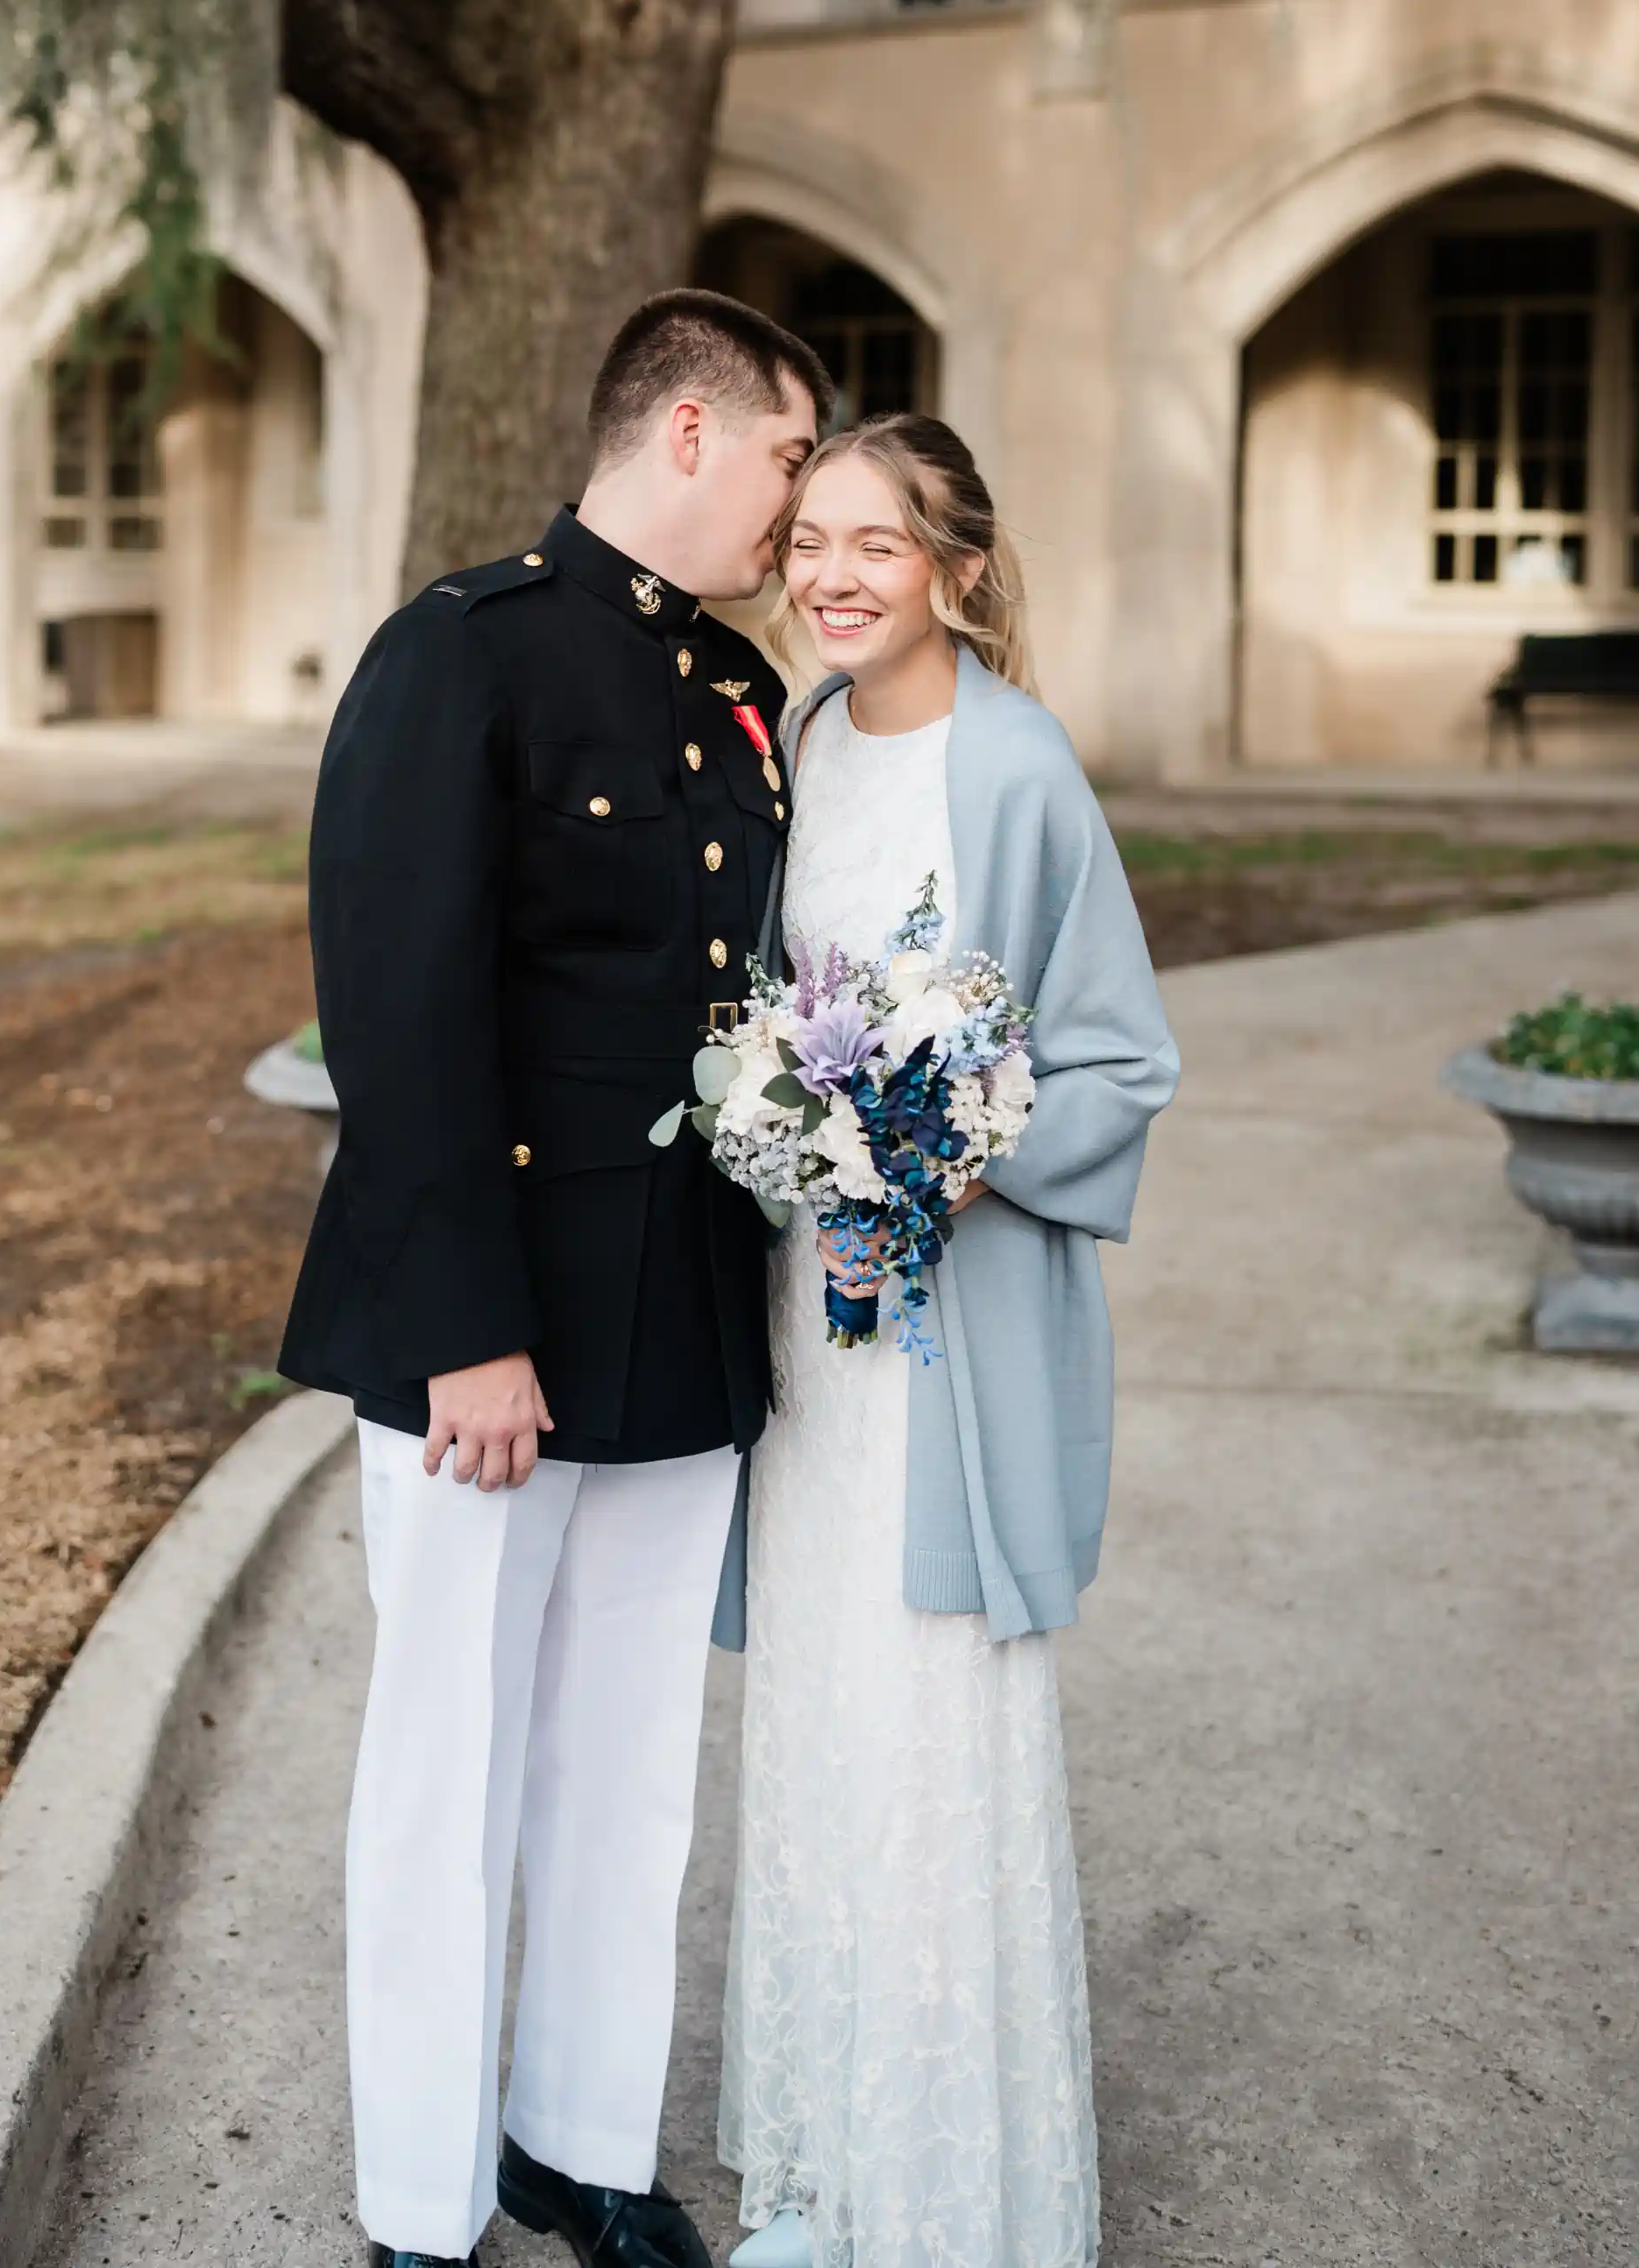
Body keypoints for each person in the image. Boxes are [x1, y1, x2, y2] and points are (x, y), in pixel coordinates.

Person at [278, 290, 832, 2268]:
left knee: (622, 1756)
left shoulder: (735, 697)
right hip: (487, 1329)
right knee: (447, 1760)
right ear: (687, 431)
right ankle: (418, 2206)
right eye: (786, 455)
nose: (797, 498)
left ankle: (576, 2142)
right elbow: (400, 1020)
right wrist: (468, 1339)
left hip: (673, 1308)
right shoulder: (463, 658)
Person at [717, 415, 1180, 2268]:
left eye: (875, 546)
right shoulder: (809, 741)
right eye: (808, 538)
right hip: (806, 1327)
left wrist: (958, 1153)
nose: (831, 575)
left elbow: (1118, 1055)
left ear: (955, 571)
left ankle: (937, 2184)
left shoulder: (1015, 771)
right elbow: (774, 1010)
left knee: (922, 1709)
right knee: (822, 1703)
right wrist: (781, 1128)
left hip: (945, 1336)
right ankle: (821, 2163)